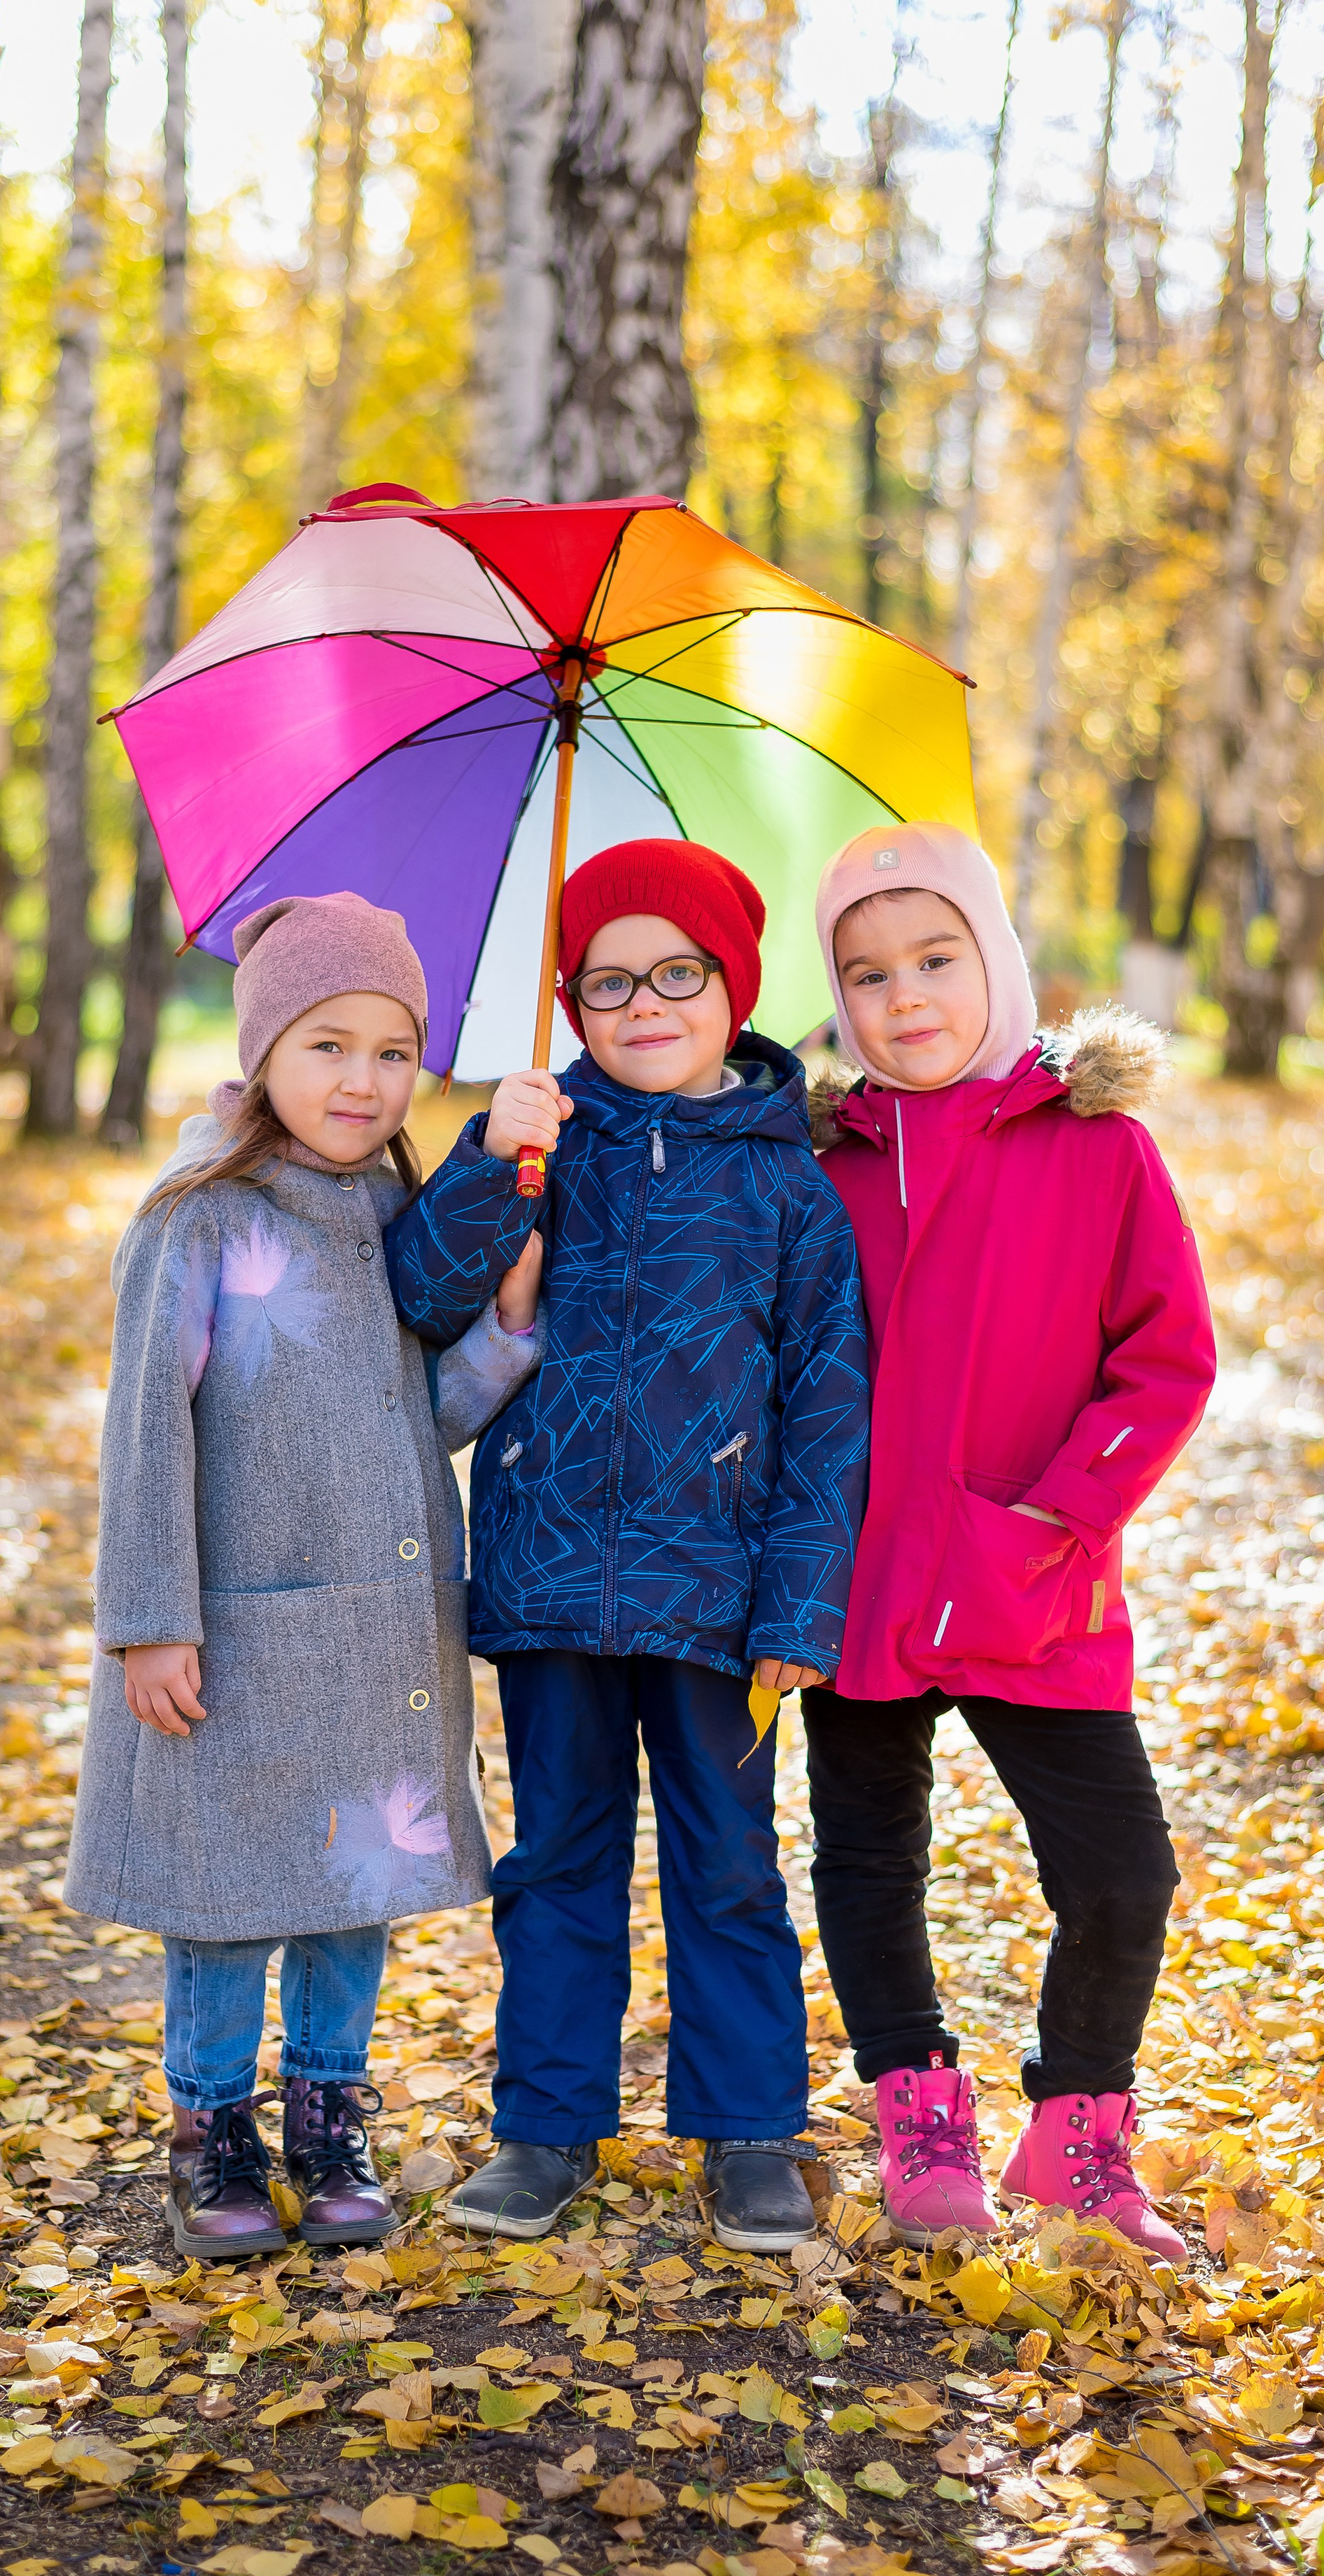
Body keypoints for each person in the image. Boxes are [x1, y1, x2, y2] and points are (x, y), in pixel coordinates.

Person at [386, 840, 870, 2253]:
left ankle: (746, 2135)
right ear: (569, 1002)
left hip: (720, 1598)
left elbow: (825, 1406)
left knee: (727, 1867)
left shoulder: (789, 1190)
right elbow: (423, 1292)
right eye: (606, 983)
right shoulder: (539, 1142)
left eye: (676, 975)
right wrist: (489, 1157)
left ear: (732, 989)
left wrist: (799, 1601)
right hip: (545, 1585)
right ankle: (543, 2128)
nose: (642, 1005)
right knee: (558, 1862)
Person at [65, 893, 544, 2261]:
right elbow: (145, 1427)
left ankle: (327, 2114)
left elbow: (407, 1416)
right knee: (223, 1899)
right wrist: (149, 1621)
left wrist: (504, 1338)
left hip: (371, 1632)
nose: (362, 1079)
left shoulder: (386, 1203)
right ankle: (211, 2126)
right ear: (266, 1046)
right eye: (327, 1044)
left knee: (351, 1895)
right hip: (231, 1627)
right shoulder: (201, 1216)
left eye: (392, 1051)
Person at [805, 822, 1216, 2263]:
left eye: (934, 959)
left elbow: (1162, 1357)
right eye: (865, 974)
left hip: (1030, 1574)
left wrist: (1059, 1513)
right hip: (859, 1575)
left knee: (1118, 1870)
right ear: (835, 999)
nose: (904, 997)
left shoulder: (1091, 1147)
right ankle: (915, 2106)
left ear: (994, 959)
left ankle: (1077, 2127)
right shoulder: (821, 1160)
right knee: (866, 1853)